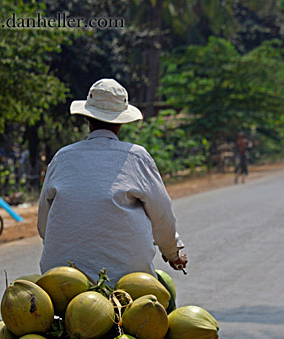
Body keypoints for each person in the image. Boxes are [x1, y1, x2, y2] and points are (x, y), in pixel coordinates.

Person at [37, 78, 187, 285]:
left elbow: (44, 225)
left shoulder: (62, 157)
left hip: (61, 279)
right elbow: (162, 216)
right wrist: (172, 253)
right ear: (121, 123)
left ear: (88, 119)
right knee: (164, 299)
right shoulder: (137, 157)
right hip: (126, 280)